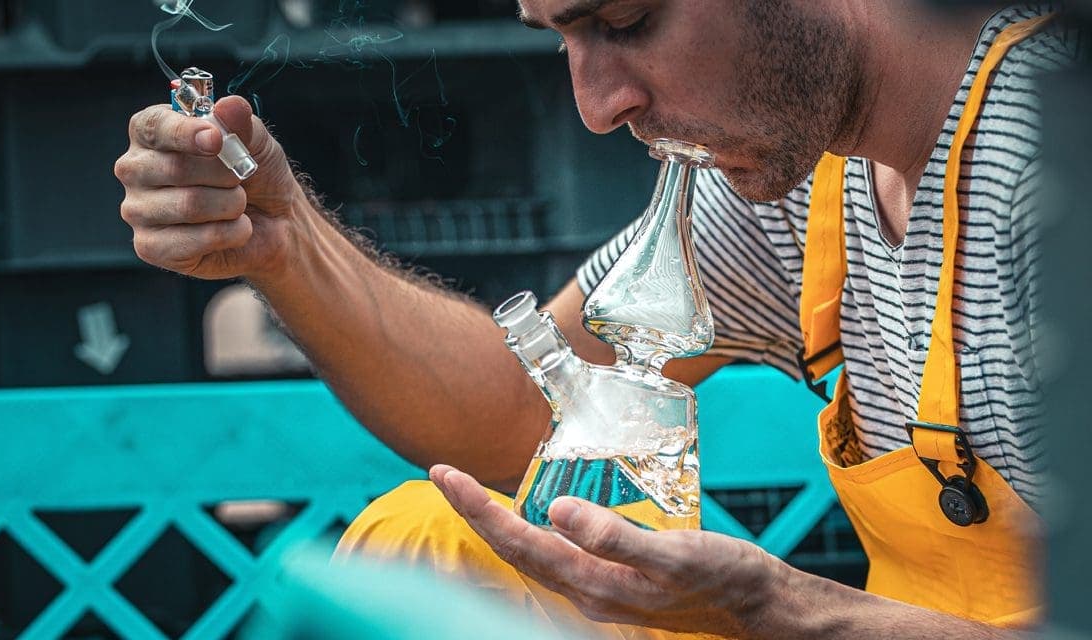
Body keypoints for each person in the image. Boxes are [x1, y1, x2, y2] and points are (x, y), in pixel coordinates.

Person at [114, 1, 1082, 636]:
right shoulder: (806, 177)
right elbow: (519, 413)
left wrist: (781, 608)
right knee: (429, 541)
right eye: (562, 36)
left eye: (627, 19)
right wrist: (285, 243)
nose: (596, 105)